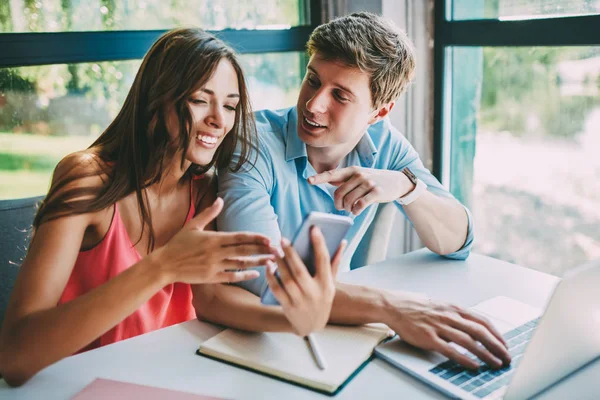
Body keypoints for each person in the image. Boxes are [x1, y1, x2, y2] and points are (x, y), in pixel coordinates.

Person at [0, 28, 342, 387]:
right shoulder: (87, 179)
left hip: (165, 381)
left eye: (229, 105)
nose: (219, 120)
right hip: (79, 386)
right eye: (199, 100)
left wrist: (292, 320)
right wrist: (161, 268)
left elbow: (210, 299)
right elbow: (15, 357)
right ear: (157, 97)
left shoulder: (205, 193)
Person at [193, 13, 512, 370]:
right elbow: (263, 276)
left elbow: (458, 242)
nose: (313, 104)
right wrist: (392, 308)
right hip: (255, 344)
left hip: (336, 332)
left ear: (379, 112)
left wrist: (406, 187)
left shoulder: (385, 143)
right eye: (312, 80)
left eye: (340, 96)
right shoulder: (252, 143)